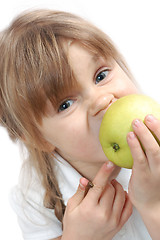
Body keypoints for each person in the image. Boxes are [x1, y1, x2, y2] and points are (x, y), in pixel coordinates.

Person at [0, 9, 160, 240]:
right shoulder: (39, 193)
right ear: (38, 137)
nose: (102, 101)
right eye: (65, 104)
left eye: (101, 75)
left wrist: (153, 204)